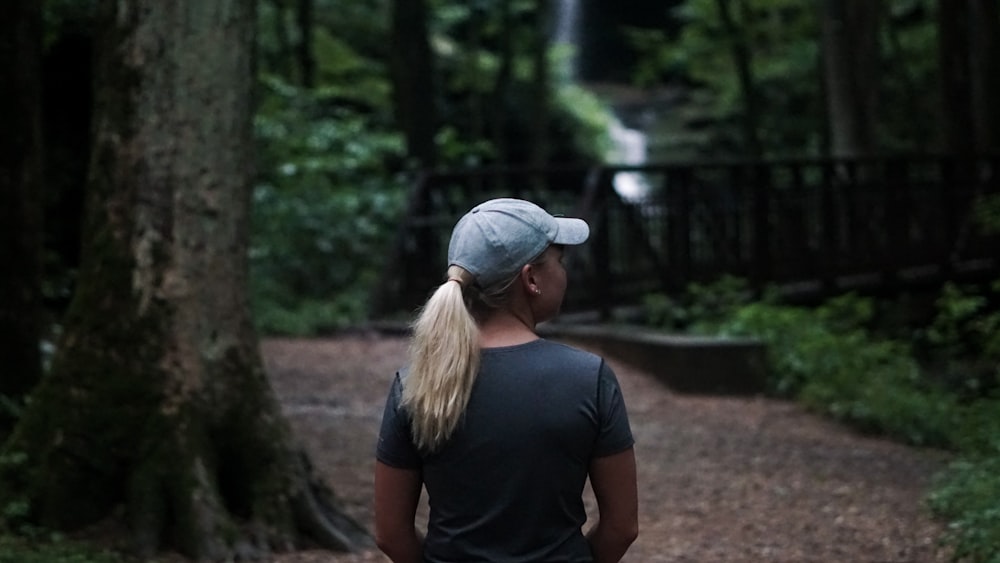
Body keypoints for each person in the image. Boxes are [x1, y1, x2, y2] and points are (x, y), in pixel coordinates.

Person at [374, 198, 638, 563]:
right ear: (531, 279)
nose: (564, 272)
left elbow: (390, 534)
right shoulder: (587, 379)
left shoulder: (418, 384)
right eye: (559, 261)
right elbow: (622, 527)